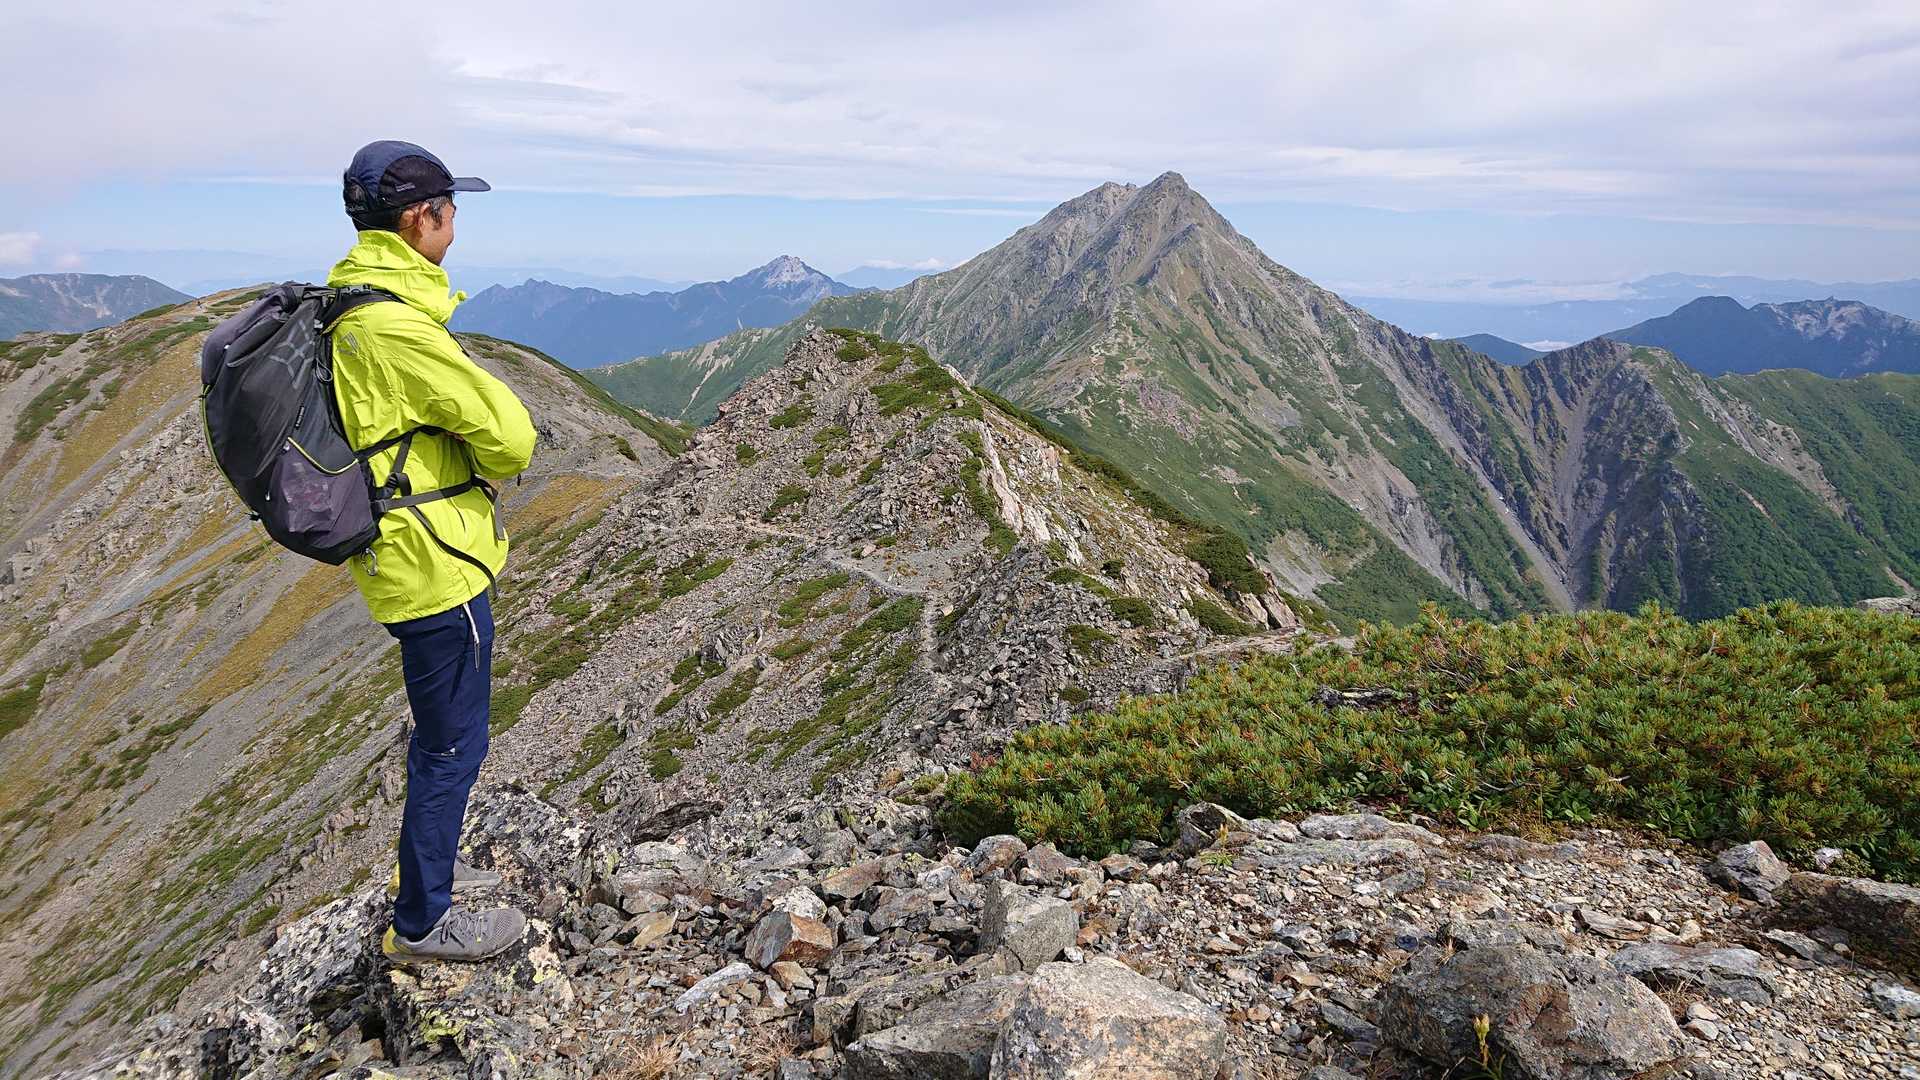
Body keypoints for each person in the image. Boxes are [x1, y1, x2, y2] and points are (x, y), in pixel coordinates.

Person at [328, 140, 536, 963]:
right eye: (450, 209)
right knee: (454, 744)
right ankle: (423, 922)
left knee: (440, 736)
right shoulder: (393, 326)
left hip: (405, 555)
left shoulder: (354, 300)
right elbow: (512, 438)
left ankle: (432, 869)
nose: (455, 223)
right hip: (436, 566)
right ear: (421, 218)